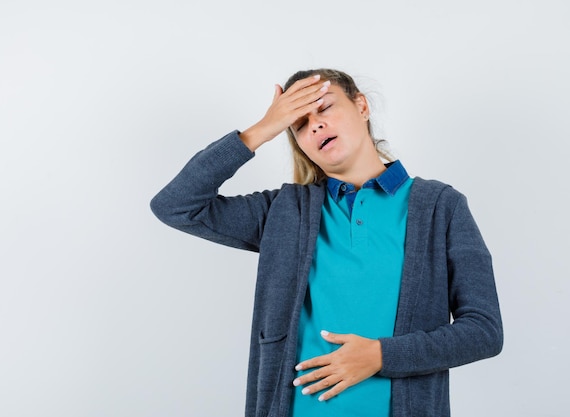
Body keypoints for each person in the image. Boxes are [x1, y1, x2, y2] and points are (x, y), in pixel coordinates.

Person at [150, 68, 503, 417]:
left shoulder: (441, 206)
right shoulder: (284, 212)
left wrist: (380, 356)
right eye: (299, 123)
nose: (314, 124)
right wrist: (262, 130)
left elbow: (484, 331)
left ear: (362, 106)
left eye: (324, 107)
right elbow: (176, 205)